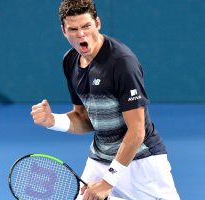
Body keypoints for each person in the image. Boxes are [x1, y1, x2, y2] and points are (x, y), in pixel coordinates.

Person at [31, 0, 180, 199]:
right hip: (100, 160)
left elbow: (137, 131)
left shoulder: (122, 63)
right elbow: (85, 119)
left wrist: (108, 181)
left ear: (98, 23)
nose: (81, 34)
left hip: (142, 163)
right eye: (73, 29)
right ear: (63, 31)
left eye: (86, 26)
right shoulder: (70, 61)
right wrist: (53, 121)